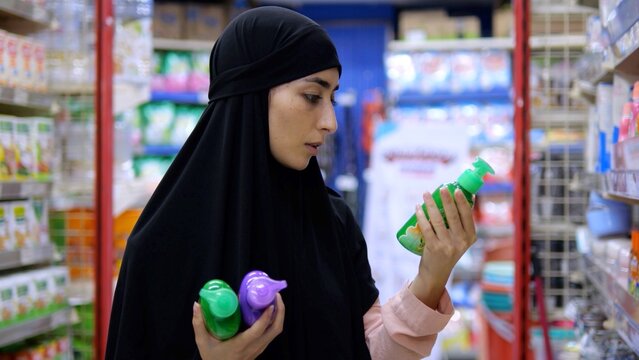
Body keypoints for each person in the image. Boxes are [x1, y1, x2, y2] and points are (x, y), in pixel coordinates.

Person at [106, 6, 477, 360]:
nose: (330, 121)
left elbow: (368, 350)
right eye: (313, 96)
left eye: (331, 98)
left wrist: (431, 276)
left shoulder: (332, 222)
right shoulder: (162, 242)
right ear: (250, 96)